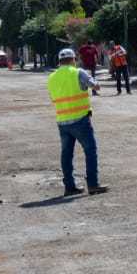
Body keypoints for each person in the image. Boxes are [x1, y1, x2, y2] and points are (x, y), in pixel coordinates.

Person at [49, 47, 106, 196]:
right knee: (90, 151)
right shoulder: (78, 72)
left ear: (60, 61)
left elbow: (53, 97)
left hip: (62, 122)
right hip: (80, 120)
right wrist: (92, 82)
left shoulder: (52, 77)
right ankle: (93, 184)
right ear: (73, 60)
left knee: (66, 155)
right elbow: (96, 86)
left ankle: (69, 187)